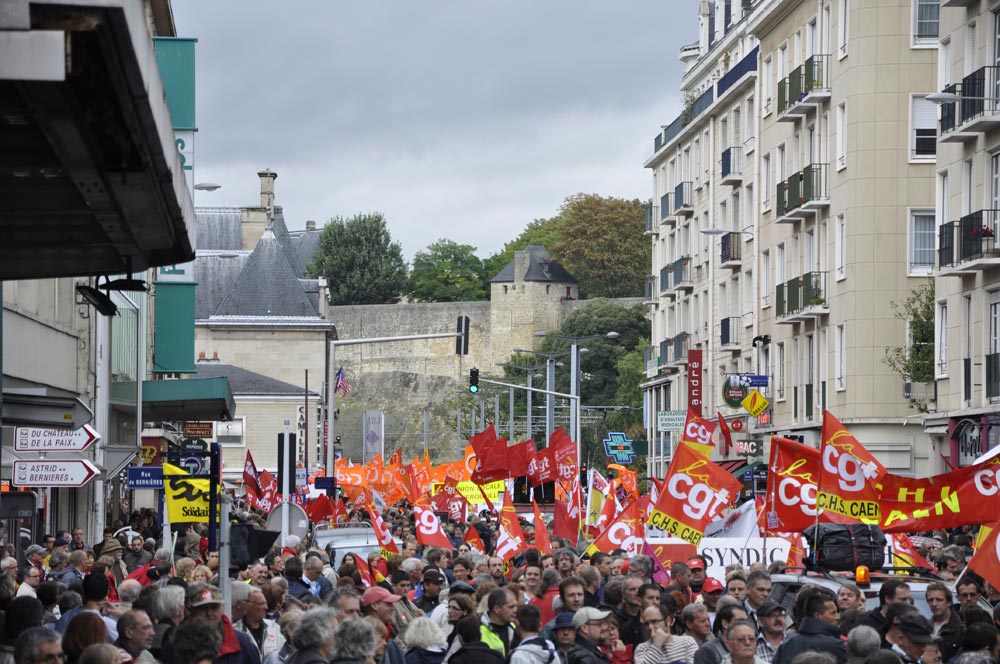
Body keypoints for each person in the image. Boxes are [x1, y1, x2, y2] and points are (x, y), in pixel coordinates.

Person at [771, 590, 845, 664]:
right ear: (818, 616)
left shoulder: (788, 643)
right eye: (833, 613)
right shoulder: (836, 646)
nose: (838, 617)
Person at [236, 588, 285, 662]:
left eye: (266, 603)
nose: (266, 607)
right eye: (261, 604)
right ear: (249, 606)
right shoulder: (236, 630)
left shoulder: (274, 627)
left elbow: (285, 655)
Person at [924, 582, 961, 662]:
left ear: (949, 602)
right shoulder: (924, 627)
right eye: (930, 600)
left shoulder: (960, 629)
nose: (934, 604)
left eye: (939, 600)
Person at [480, 588, 517, 656]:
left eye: (516, 606)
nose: (515, 610)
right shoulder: (478, 630)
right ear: (497, 609)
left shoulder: (514, 627)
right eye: (511, 607)